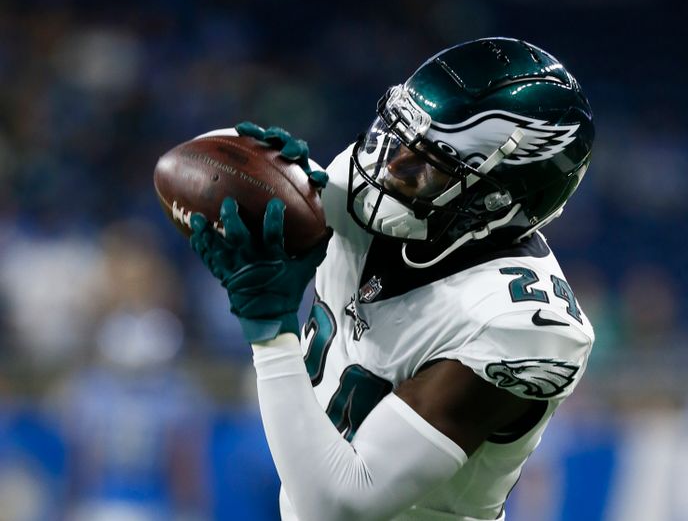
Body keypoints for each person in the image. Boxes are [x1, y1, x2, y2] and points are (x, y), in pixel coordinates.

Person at [189, 37, 595, 520]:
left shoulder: (520, 325)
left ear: (497, 199)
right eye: (396, 137)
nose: (391, 167)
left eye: (429, 164)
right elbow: (210, 168)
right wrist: (258, 172)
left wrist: (270, 331)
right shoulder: (383, 189)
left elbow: (339, 506)